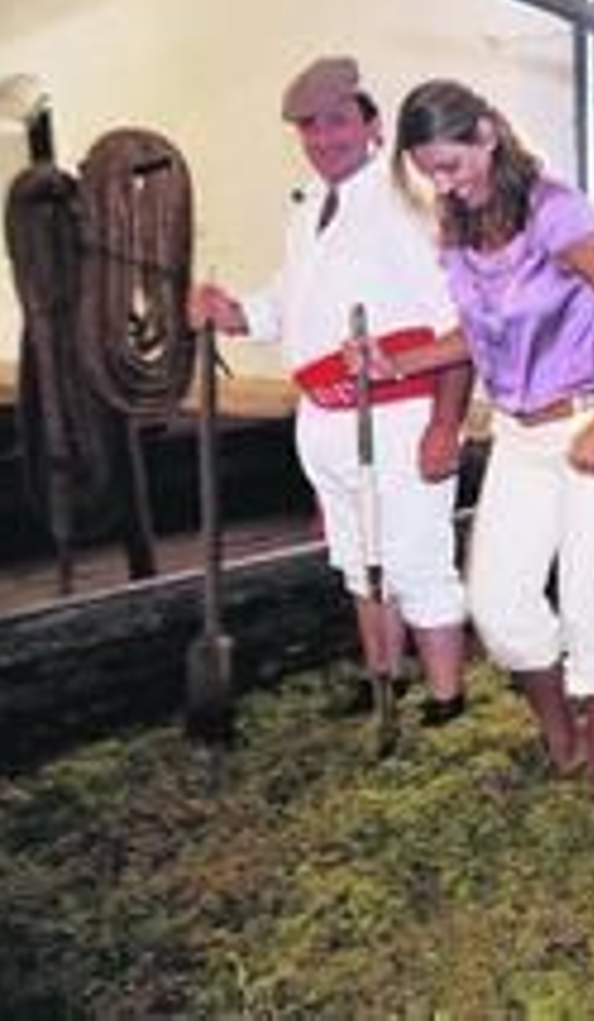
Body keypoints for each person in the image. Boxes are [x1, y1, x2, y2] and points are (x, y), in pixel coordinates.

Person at [367, 78, 594, 796]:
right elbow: (479, 328)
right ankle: (560, 736)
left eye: (452, 164)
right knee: (497, 603)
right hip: (520, 432)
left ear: (487, 135)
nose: (444, 183)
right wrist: (396, 360)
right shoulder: (460, 224)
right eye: (428, 171)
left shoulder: (556, 212)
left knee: (590, 595)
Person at [189, 56, 473, 728]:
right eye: (310, 129)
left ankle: (446, 699)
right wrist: (233, 313)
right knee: (356, 557)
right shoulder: (309, 207)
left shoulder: (410, 202)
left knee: (416, 560)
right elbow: (290, 304)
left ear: (372, 124)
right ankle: (385, 676)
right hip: (324, 414)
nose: (324, 139)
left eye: (338, 122)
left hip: (398, 414)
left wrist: (444, 424)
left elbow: (463, 321)